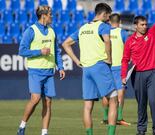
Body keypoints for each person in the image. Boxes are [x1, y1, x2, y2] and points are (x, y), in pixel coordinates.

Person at [121, 0, 155, 134]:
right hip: (137, 75)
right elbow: (125, 59)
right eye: (142, 24)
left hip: (153, 72)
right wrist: (123, 76)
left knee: (154, 102)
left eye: (146, 24)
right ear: (135, 26)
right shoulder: (129, 41)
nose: (145, 26)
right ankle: (141, 130)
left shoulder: (152, 33)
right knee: (141, 104)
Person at [62, 3, 118, 135]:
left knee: (88, 106)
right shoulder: (103, 26)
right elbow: (107, 41)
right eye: (108, 16)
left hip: (86, 69)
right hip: (99, 66)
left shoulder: (82, 28)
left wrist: (77, 61)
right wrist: (109, 59)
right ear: (104, 14)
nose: (109, 19)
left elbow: (65, 44)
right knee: (114, 100)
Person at [17, 5, 65, 135]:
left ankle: (44, 132)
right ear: (43, 15)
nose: (52, 16)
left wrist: (60, 67)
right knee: (35, 99)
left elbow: (57, 51)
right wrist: (40, 51)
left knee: (48, 103)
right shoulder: (30, 31)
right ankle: (22, 126)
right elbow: (22, 50)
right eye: (50, 14)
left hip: (49, 72)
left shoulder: (52, 31)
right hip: (35, 71)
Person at [101, 13, 130, 126]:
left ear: (109, 21)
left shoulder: (104, 31)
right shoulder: (123, 33)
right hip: (119, 67)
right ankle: (119, 117)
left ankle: (105, 117)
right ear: (119, 21)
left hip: (106, 66)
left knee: (106, 93)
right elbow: (128, 49)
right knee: (120, 92)